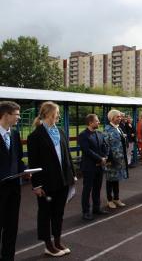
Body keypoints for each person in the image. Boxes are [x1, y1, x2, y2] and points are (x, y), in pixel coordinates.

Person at [27, 101, 77, 257]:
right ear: (47, 113)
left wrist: (72, 174)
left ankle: (57, 241)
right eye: (57, 112)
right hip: (47, 182)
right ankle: (48, 245)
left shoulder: (60, 132)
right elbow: (33, 163)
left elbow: (67, 156)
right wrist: (36, 185)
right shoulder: (35, 136)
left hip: (62, 180)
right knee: (45, 214)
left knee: (58, 213)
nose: (59, 115)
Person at [0, 101, 30, 261]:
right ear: (6, 115)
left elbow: (18, 159)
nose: (19, 117)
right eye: (17, 114)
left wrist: (23, 172)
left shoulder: (15, 134)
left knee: (11, 229)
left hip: (13, 190)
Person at [78, 114, 110, 220]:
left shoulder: (100, 134)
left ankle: (96, 207)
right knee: (87, 189)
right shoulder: (83, 135)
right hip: (89, 167)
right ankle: (85, 210)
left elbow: (106, 147)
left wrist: (104, 158)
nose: (99, 122)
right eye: (97, 121)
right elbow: (86, 150)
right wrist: (99, 159)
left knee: (97, 188)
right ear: (90, 122)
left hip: (99, 166)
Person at [103, 110, 128, 209]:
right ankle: (109, 199)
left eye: (119, 116)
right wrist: (108, 159)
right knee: (110, 179)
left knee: (116, 179)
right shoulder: (107, 129)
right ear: (112, 117)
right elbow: (105, 145)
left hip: (119, 158)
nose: (119, 118)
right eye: (117, 117)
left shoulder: (119, 128)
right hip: (112, 159)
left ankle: (116, 198)